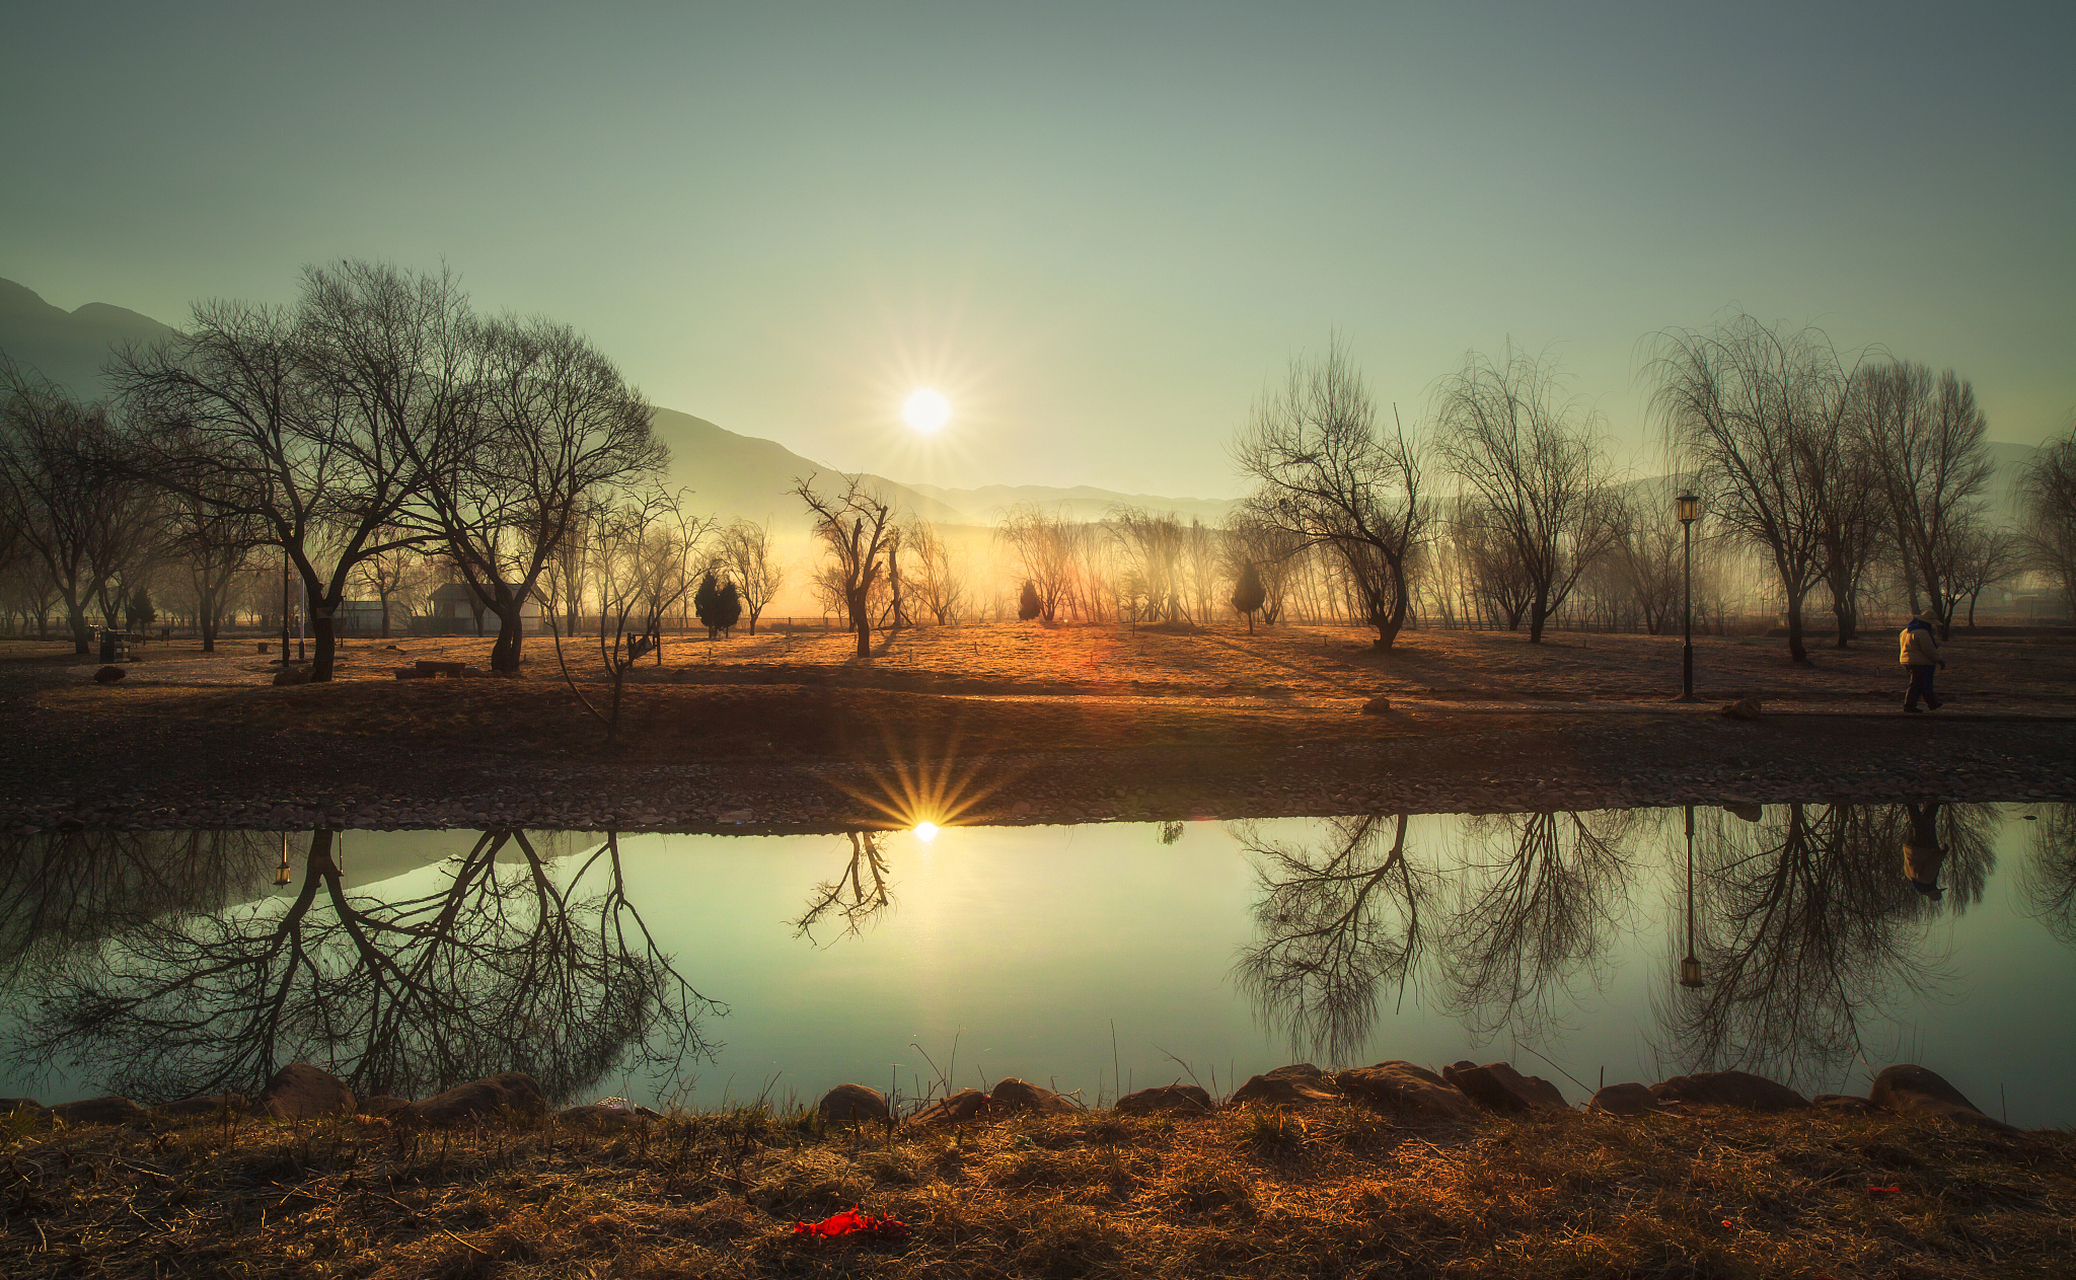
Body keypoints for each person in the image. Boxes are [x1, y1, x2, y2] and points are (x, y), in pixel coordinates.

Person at [1898, 609, 1945, 713]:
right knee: (1918, 684)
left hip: (1905, 661)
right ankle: (1909, 705)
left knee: (1920, 684)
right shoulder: (1922, 633)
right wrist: (1939, 660)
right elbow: (1929, 650)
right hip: (1920, 662)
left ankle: (1932, 703)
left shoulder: (1905, 631)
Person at [1903, 802, 1945, 900]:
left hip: (1925, 849)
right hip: (1910, 849)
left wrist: (1943, 853)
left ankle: (1912, 803)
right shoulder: (1911, 877)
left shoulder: (1927, 880)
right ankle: (1933, 802)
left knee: (1923, 826)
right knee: (1924, 824)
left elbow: (1933, 863)